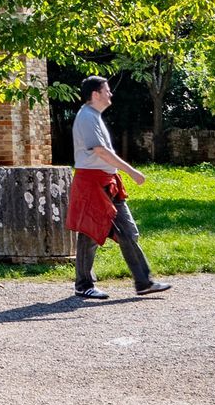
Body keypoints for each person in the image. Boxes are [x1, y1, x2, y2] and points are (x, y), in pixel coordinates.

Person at [65, 76, 171, 300]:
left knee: (128, 232)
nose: (110, 94)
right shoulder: (86, 117)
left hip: (107, 182)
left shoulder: (94, 116)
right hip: (92, 183)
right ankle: (83, 285)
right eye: (107, 90)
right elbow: (101, 151)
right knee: (90, 232)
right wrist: (132, 171)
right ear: (96, 94)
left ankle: (143, 282)